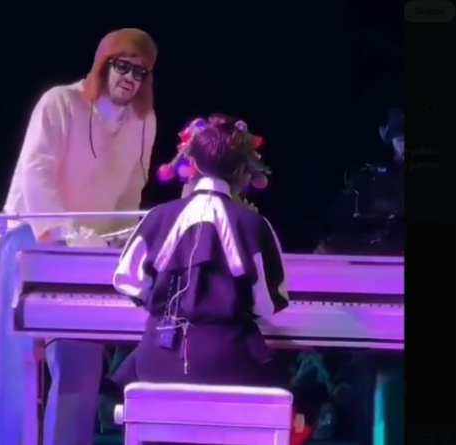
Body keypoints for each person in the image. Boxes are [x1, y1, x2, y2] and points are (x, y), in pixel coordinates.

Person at [0, 28, 158, 445]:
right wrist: (63, 237)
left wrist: (121, 244)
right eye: (123, 66)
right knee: (18, 365)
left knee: (80, 362)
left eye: (140, 72)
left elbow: (130, 195)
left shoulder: (144, 122)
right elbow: (36, 174)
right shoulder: (60, 102)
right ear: (103, 64)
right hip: (32, 241)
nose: (130, 78)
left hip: (89, 257)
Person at [110, 115, 313, 444]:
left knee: (129, 366)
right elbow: (266, 304)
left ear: (192, 165)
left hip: (159, 360)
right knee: (286, 378)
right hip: (228, 361)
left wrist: (168, 306)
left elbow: (129, 282)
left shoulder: (158, 216)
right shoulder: (254, 225)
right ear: (242, 171)